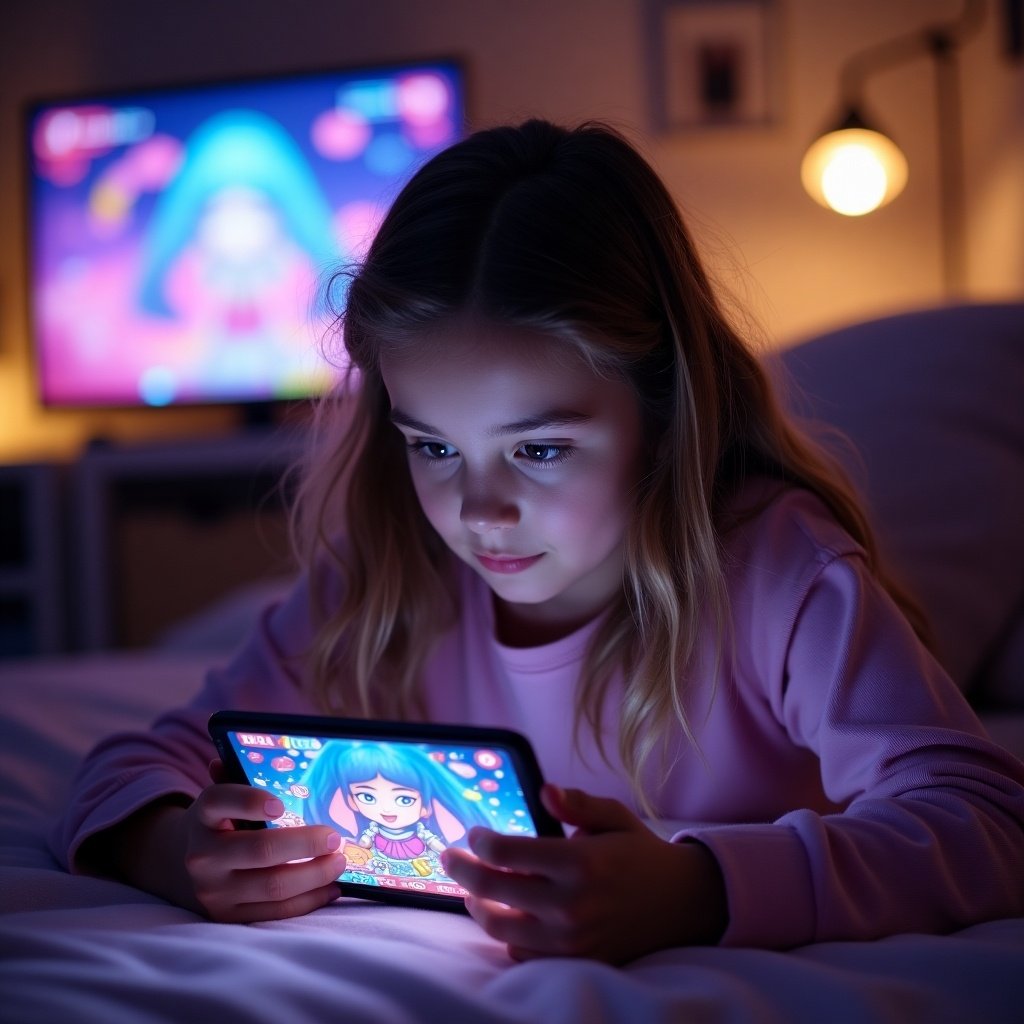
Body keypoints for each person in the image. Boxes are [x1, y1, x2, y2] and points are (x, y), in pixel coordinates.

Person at [54, 119, 1024, 964]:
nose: (478, 508)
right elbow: (132, 766)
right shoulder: (390, 577)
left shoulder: (776, 572)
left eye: (541, 448)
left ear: (662, 410)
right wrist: (171, 849)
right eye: (433, 444)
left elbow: (983, 820)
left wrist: (698, 890)